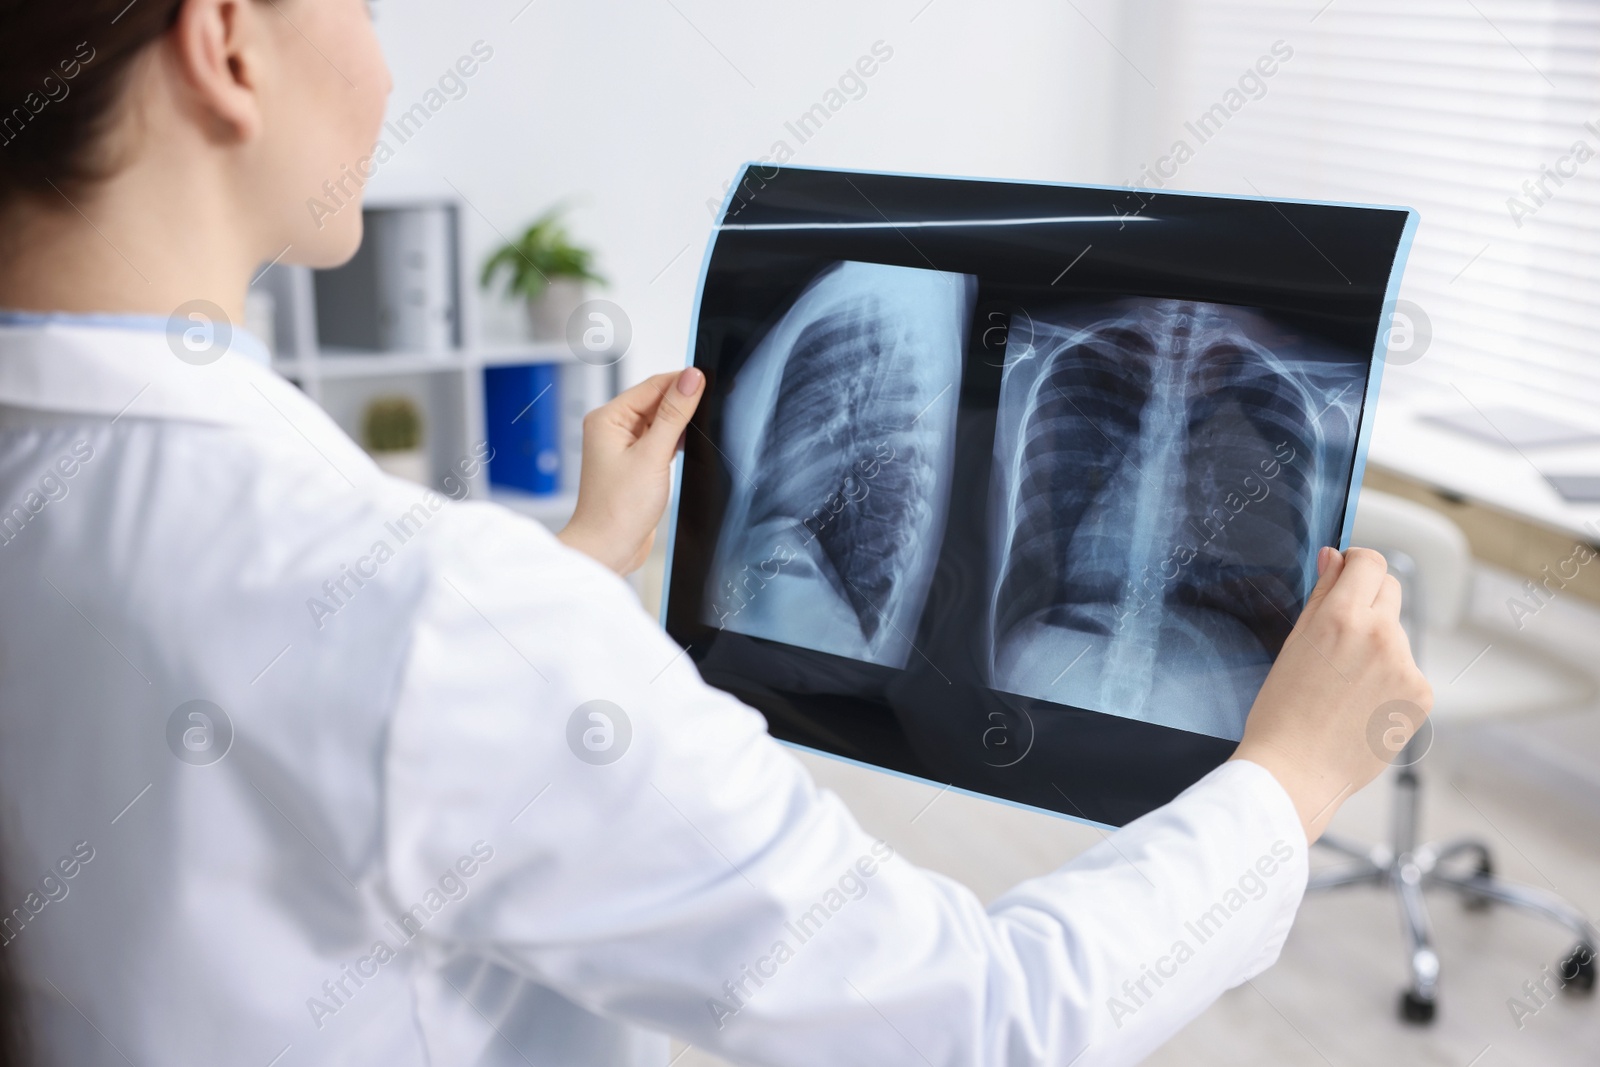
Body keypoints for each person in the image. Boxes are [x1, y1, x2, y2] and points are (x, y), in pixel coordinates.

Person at [0, 1, 1432, 1064]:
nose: (384, 63)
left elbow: (277, 749)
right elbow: (981, 1024)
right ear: (230, 44)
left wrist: (567, 573)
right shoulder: (426, 618)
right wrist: (1285, 781)